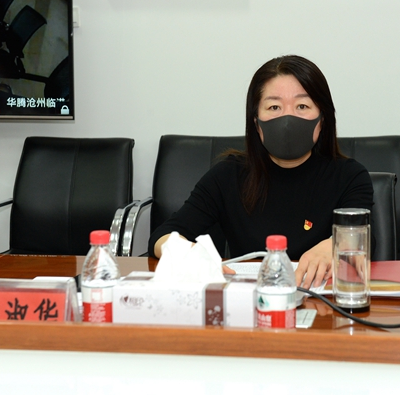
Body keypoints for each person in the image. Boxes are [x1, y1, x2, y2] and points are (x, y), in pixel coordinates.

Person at [149, 55, 373, 289]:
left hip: (323, 303)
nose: (288, 119)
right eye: (274, 107)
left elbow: (367, 240)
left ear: (322, 119)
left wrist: (336, 245)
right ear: (256, 122)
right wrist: (189, 254)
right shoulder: (227, 176)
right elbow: (162, 236)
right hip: (249, 302)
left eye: (302, 106)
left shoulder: (349, 176)